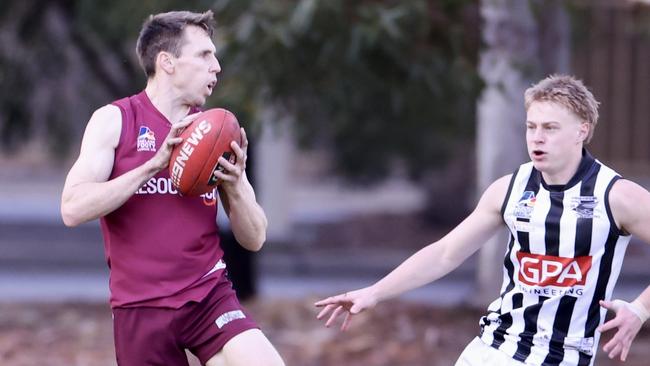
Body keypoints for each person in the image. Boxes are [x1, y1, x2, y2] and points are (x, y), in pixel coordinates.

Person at [315, 75, 650, 365]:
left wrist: (641, 309)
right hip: (491, 349)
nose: (537, 137)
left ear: (582, 131)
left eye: (550, 128)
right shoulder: (510, 188)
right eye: (531, 127)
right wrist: (374, 292)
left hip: (559, 357)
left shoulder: (616, 195)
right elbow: (446, 252)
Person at [61, 10, 284, 366]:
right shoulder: (116, 121)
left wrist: (237, 183)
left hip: (208, 295)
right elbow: (72, 209)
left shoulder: (215, 133)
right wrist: (153, 165)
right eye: (204, 55)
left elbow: (255, 238)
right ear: (167, 62)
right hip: (140, 308)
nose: (217, 67)